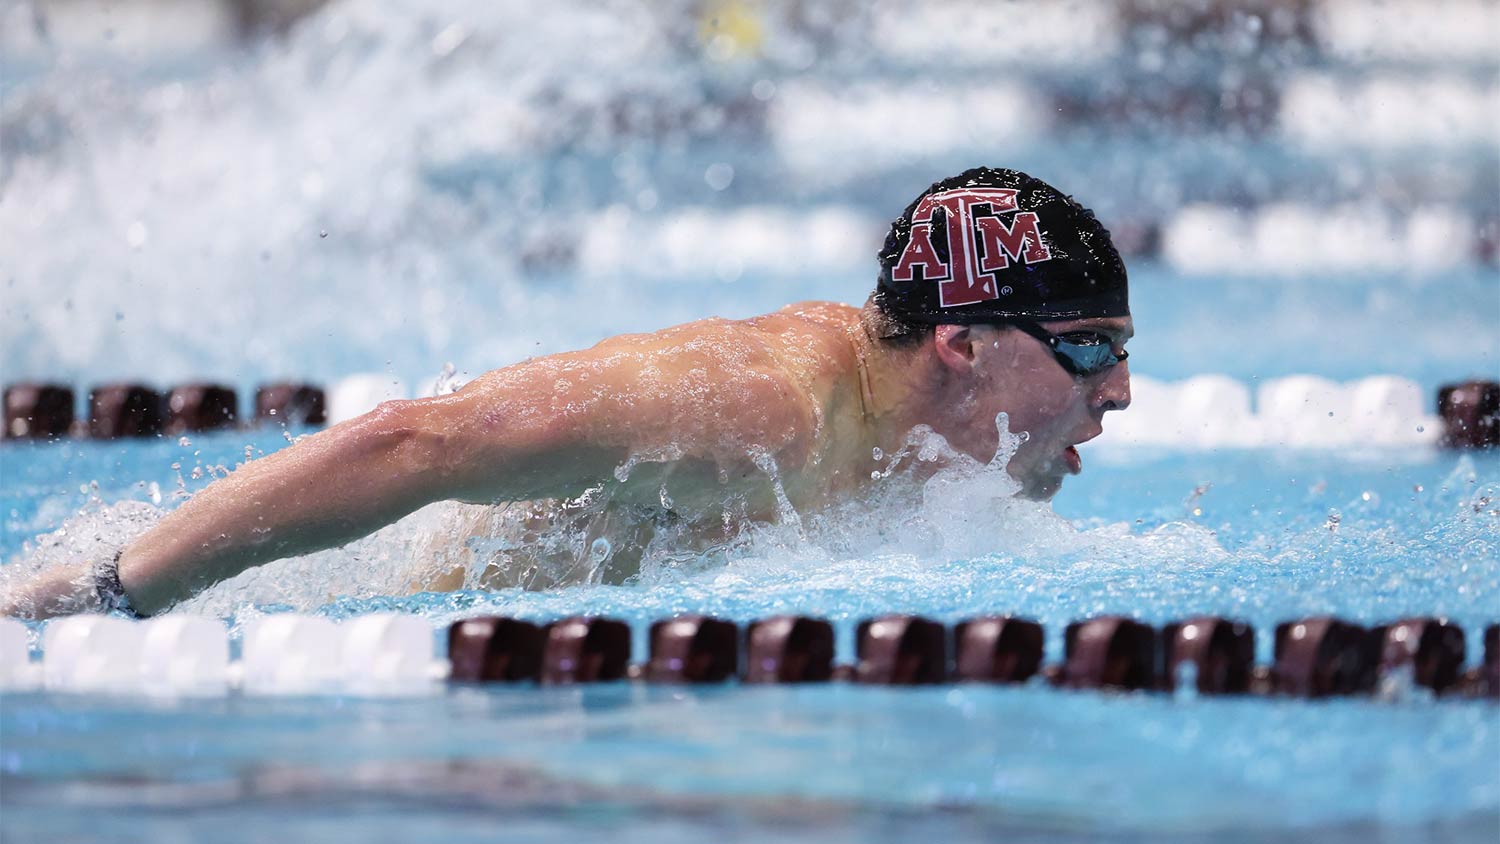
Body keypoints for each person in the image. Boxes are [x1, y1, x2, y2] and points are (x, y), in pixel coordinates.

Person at [2, 167, 1132, 619]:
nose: (1120, 391)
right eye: (1088, 347)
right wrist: (113, 591)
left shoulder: (932, 466)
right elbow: (422, 438)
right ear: (961, 344)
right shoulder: (762, 409)